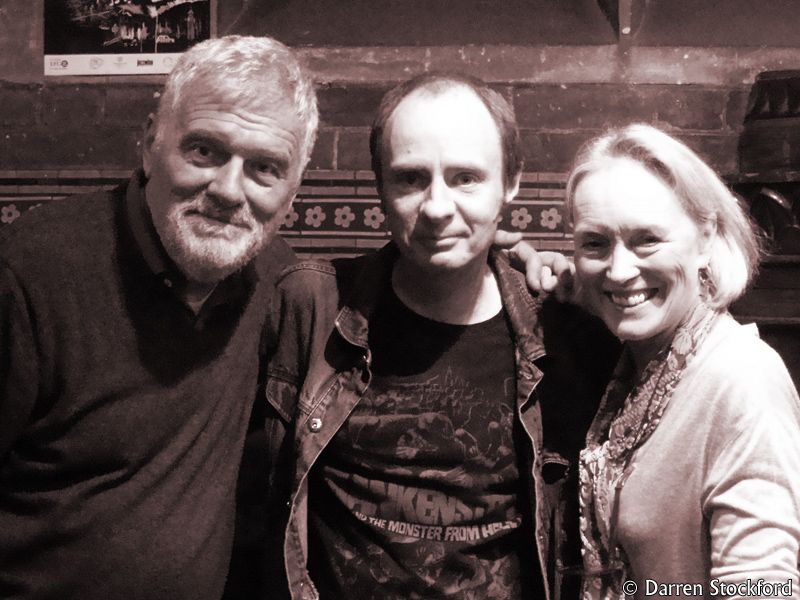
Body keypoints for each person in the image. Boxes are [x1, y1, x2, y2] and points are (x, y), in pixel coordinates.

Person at [264, 72, 618, 600]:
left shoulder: (567, 332)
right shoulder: (312, 306)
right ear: (380, 186)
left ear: (511, 182)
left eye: (465, 178)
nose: (436, 207)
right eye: (410, 178)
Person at [0, 35, 318, 600]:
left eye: (264, 168)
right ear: (150, 144)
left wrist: (502, 269)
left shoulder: (279, 283)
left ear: (292, 193)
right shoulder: (27, 276)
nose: (227, 189)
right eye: (204, 150)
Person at [565, 124, 800, 599]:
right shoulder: (638, 362)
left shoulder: (740, 378)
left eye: (647, 239)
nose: (619, 270)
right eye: (595, 243)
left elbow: (761, 588)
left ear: (706, 238)